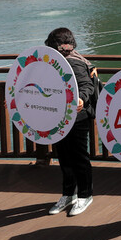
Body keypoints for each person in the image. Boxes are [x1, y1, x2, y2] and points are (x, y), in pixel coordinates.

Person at [44, 28, 98, 217]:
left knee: (79, 158)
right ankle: (68, 194)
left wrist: (81, 98)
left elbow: (87, 85)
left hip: (77, 117)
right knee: (64, 157)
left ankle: (85, 195)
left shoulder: (74, 62)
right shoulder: (50, 64)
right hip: (57, 117)